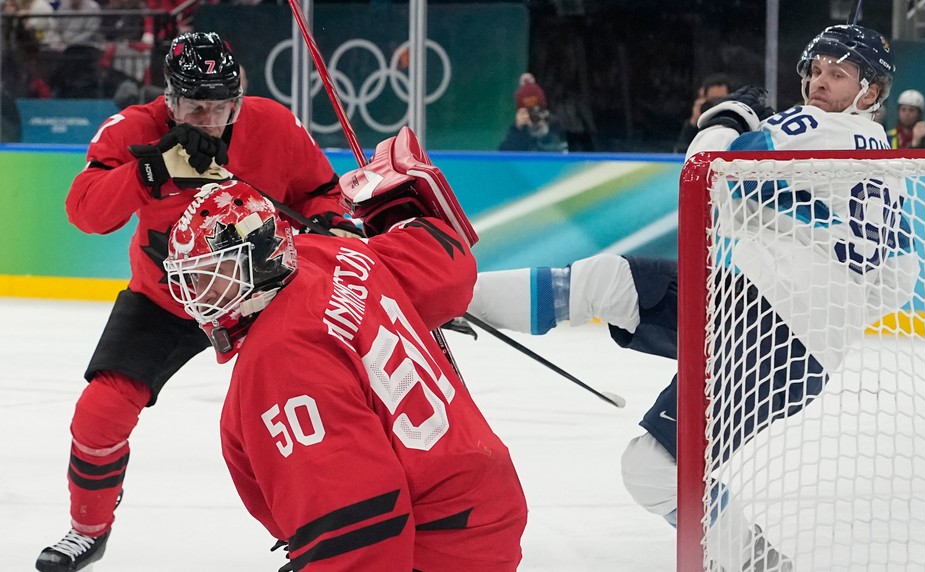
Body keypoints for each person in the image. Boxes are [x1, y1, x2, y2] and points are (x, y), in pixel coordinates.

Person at [468, 24, 918, 571]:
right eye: (817, 70)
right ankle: (460, 295)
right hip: (763, 314)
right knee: (612, 281)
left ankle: (763, 567)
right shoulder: (885, 160)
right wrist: (827, 289)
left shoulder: (823, 128)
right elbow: (898, 279)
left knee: (654, 471)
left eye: (839, 74)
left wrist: (728, 116)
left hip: (771, 334)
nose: (820, 83)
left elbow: (703, 170)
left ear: (870, 93)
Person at [36, 31, 349, 572]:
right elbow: (84, 211)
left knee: (288, 422)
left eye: (221, 106)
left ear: (239, 97)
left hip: (264, 299)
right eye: (193, 106)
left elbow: (322, 193)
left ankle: (313, 534)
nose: (207, 119)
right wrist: (152, 170)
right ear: (170, 98)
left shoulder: (272, 123)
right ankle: (87, 531)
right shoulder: (135, 128)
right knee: (100, 414)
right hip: (167, 299)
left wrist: (328, 225)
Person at [162, 144, 527, 570]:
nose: (199, 295)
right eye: (194, 277)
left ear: (258, 262)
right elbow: (447, 270)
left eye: (213, 273)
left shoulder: (280, 357)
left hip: (436, 542)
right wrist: (395, 213)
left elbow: (359, 523)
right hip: (484, 499)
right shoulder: (329, 253)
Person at [498, 73, 568, 153]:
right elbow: (503, 156)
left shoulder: (555, 124)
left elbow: (560, 152)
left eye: (536, 110)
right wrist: (518, 130)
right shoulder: (518, 128)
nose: (532, 115)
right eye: (527, 111)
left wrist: (544, 130)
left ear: (543, 110)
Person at [673, 72, 733, 153]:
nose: (718, 104)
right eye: (713, 100)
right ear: (704, 99)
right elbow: (680, 152)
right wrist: (694, 120)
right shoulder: (697, 124)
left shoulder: (737, 120)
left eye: (722, 99)